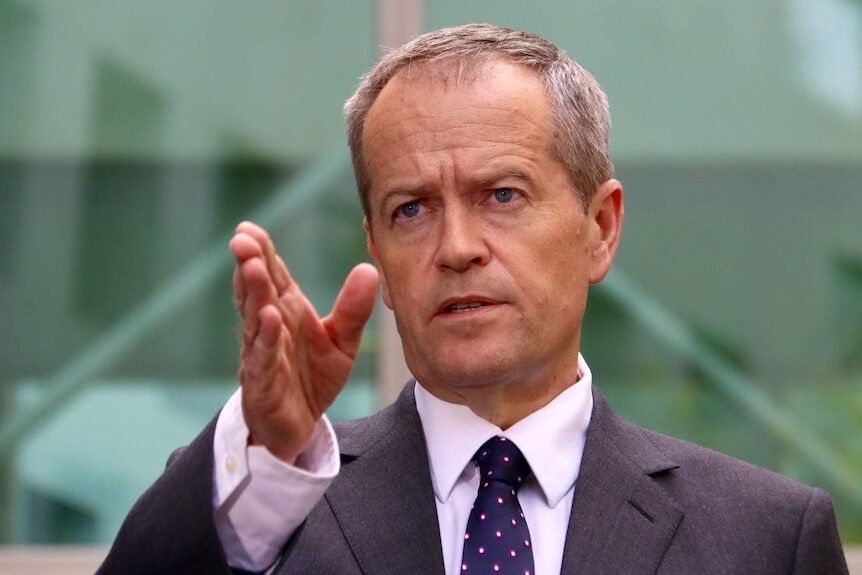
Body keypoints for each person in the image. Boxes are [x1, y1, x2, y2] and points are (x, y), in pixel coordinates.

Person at [98, 24, 848, 574]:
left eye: (501, 194)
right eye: (411, 210)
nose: (456, 246)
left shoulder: (763, 538)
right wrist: (266, 446)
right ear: (378, 257)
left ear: (600, 227)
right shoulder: (266, 502)